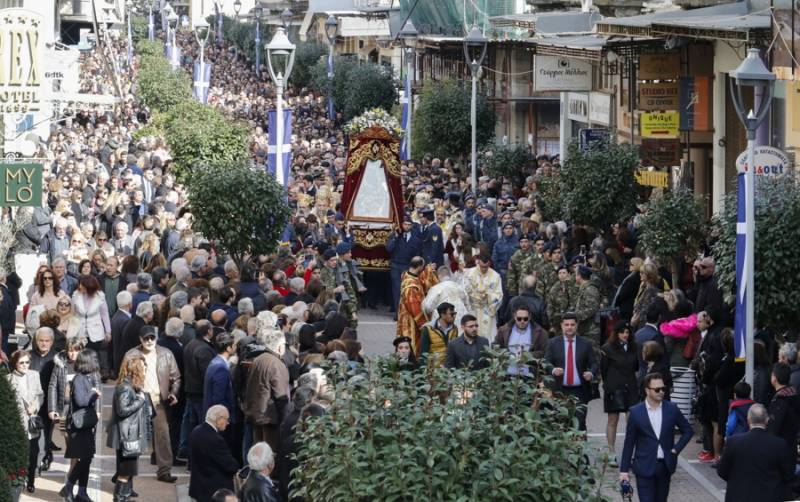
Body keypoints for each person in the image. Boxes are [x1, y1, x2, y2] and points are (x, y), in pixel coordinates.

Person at [619, 372, 694, 502]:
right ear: (647, 391)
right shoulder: (636, 412)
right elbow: (629, 443)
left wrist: (676, 449)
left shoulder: (672, 409)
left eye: (663, 388)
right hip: (643, 466)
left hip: (664, 466)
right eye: (657, 389)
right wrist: (624, 470)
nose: (661, 392)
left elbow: (688, 431)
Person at [122, 326, 181, 483]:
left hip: (157, 400)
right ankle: (125, 473)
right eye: (146, 338)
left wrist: (173, 393)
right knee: (132, 437)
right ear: (140, 339)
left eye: (152, 338)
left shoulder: (166, 354)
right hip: (137, 399)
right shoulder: (131, 355)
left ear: (156, 338)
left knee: (163, 436)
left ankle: (164, 470)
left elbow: (176, 377)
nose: (149, 341)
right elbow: (123, 379)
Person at [717, 403, 794, 502]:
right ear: (767, 420)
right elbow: (788, 474)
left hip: (739, 496)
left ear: (748, 420)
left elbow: (722, 471)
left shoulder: (733, 442)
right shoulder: (779, 444)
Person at [244, 312, 290, 454]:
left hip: (257, 413)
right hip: (270, 417)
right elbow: (281, 395)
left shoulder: (259, 359)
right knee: (269, 452)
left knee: (257, 449)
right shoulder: (276, 364)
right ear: (279, 346)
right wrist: (285, 418)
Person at [107, 354, 151, 502]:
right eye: (143, 368)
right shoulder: (125, 388)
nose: (145, 371)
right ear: (136, 370)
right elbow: (122, 410)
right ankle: (120, 498)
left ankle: (125, 497)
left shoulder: (132, 386)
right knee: (125, 472)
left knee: (129, 470)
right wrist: (140, 401)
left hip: (130, 434)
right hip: (127, 436)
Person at [544, 313, 599, 431]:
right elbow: (546, 362)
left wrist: (591, 373)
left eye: (572, 325)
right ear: (562, 326)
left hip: (579, 391)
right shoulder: (553, 343)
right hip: (560, 390)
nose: (569, 327)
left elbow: (594, 363)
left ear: (577, 326)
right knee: (561, 424)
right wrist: (553, 370)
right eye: (567, 325)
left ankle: (580, 443)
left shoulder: (586, 344)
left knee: (579, 424)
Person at [61, 349, 101, 502]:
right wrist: (94, 394)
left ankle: (82, 492)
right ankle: (69, 487)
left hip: (85, 425)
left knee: (87, 458)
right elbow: (81, 401)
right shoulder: (79, 379)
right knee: (84, 459)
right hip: (79, 426)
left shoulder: (86, 378)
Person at [600, 321, 638, 466]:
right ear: (616, 333)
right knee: (612, 420)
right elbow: (603, 369)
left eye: (627, 332)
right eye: (622, 332)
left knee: (632, 420)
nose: (625, 335)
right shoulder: (607, 348)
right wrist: (608, 385)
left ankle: (631, 453)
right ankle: (611, 452)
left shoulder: (634, 347)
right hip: (614, 387)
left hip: (631, 387)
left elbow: (636, 366)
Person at [7, 349, 44, 494]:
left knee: (33, 454)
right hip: (17, 424)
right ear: (15, 364)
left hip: (32, 423)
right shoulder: (8, 379)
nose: (25, 365)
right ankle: (20, 479)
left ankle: (31, 480)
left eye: (27, 362)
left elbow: (40, 395)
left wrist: (35, 406)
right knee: (19, 454)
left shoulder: (35, 375)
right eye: (21, 363)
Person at [178, 320, 216, 462]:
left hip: (191, 390)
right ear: (208, 331)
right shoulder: (204, 349)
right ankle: (195, 456)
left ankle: (187, 452)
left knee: (190, 423)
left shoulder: (191, 344)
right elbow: (207, 374)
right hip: (199, 392)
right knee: (199, 424)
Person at [189, 405, 239, 502]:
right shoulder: (215, 439)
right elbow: (231, 466)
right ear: (219, 419)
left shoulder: (196, 431)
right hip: (214, 491)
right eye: (226, 419)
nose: (228, 423)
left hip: (198, 488)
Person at [72, 274, 113, 380]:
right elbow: (72, 313)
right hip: (80, 330)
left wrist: (108, 331)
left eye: (82, 285)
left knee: (94, 355)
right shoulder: (76, 294)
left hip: (95, 330)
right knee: (82, 355)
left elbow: (104, 314)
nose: (80, 286)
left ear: (89, 286)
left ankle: (96, 376)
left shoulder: (100, 295)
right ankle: (83, 376)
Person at [462, 253, 502, 341]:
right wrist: (472, 295)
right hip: (473, 309)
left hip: (487, 309)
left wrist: (487, 296)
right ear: (478, 262)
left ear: (489, 264)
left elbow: (499, 295)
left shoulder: (495, 276)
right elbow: (464, 290)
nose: (483, 269)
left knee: (488, 336)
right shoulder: (469, 274)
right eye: (482, 266)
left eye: (486, 267)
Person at [767, 362, 800, 466]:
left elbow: (773, 429)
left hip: (780, 452)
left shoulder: (779, 401)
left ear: (774, 378)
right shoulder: (793, 394)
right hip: (791, 447)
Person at [396, 257, 431, 356]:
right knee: (410, 345)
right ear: (419, 267)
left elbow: (421, 280)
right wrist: (423, 323)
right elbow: (413, 306)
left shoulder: (406, 275)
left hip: (405, 316)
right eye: (423, 267)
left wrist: (428, 270)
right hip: (410, 321)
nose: (423, 269)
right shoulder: (411, 286)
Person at [418, 302, 458, 367]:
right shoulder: (428, 329)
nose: (454, 316)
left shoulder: (454, 329)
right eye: (451, 314)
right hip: (433, 368)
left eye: (455, 313)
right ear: (443, 315)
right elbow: (423, 354)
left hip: (449, 368)